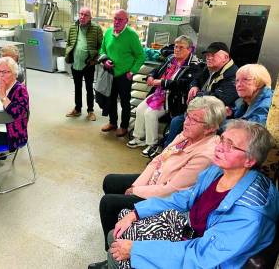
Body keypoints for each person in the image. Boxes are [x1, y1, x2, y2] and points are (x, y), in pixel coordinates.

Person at [108, 120, 279, 269]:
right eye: (222, 140)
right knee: (121, 226)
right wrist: (136, 212)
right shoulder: (218, 170)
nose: (219, 147)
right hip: (190, 232)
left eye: (230, 145)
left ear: (250, 160)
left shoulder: (250, 212)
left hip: (205, 259)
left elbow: (202, 257)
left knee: (118, 248)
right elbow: (184, 197)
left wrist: (136, 250)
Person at [88, 96, 227, 269]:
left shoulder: (205, 154)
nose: (187, 122)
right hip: (157, 178)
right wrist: (137, 186)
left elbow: (171, 189)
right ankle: (115, 248)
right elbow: (158, 160)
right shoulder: (186, 135)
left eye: (194, 120)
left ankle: (113, 253)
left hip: (165, 194)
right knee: (110, 181)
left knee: (108, 203)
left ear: (210, 128)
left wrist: (138, 191)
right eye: (187, 116)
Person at [127, 35, 199, 157]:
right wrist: (150, 76)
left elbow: (183, 84)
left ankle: (152, 144)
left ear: (189, 49)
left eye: (181, 47)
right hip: (158, 93)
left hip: (173, 99)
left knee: (150, 114)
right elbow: (157, 70)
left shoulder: (194, 65)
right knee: (140, 109)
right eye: (176, 47)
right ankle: (138, 137)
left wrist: (162, 82)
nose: (177, 49)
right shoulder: (171, 58)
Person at [165, 41, 239, 146]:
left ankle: (171, 152)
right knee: (176, 121)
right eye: (207, 55)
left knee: (178, 122)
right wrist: (194, 86)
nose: (208, 58)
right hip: (200, 111)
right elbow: (196, 79)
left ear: (225, 58)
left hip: (213, 118)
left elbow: (219, 99)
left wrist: (198, 95)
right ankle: (168, 151)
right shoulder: (210, 68)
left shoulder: (233, 75)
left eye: (213, 55)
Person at [100, 9, 145, 137]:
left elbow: (141, 56)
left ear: (126, 21)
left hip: (124, 75)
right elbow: (102, 49)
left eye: (120, 19)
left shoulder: (131, 35)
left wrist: (132, 71)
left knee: (125, 102)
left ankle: (124, 126)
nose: (116, 22)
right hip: (110, 73)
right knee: (111, 99)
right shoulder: (108, 32)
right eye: (115, 18)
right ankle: (112, 122)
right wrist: (105, 60)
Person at [65, 7, 103, 121]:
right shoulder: (73, 27)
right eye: (81, 14)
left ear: (90, 17)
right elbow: (69, 43)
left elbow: (101, 46)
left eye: (86, 15)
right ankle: (77, 109)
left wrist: (95, 60)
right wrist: (68, 54)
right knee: (77, 87)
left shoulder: (96, 28)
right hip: (76, 63)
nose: (82, 17)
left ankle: (90, 111)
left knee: (89, 88)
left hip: (88, 64)